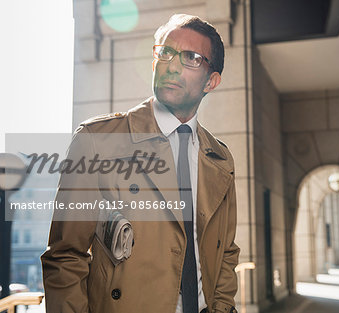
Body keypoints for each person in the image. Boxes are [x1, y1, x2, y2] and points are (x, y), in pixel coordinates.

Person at [41, 14, 239, 313]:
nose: (172, 65)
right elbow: (66, 256)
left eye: (191, 58)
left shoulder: (220, 159)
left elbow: (225, 252)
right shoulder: (97, 140)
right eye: (165, 52)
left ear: (211, 80)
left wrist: (222, 308)